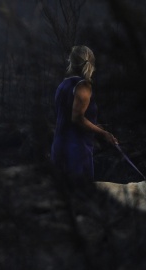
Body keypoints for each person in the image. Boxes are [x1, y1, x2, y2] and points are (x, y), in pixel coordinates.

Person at [50, 45, 117, 183]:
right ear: (90, 63)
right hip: (76, 149)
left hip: (59, 145)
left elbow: (67, 117)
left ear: (71, 61)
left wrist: (96, 126)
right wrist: (103, 133)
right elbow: (77, 118)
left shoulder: (63, 84)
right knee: (81, 197)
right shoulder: (83, 86)